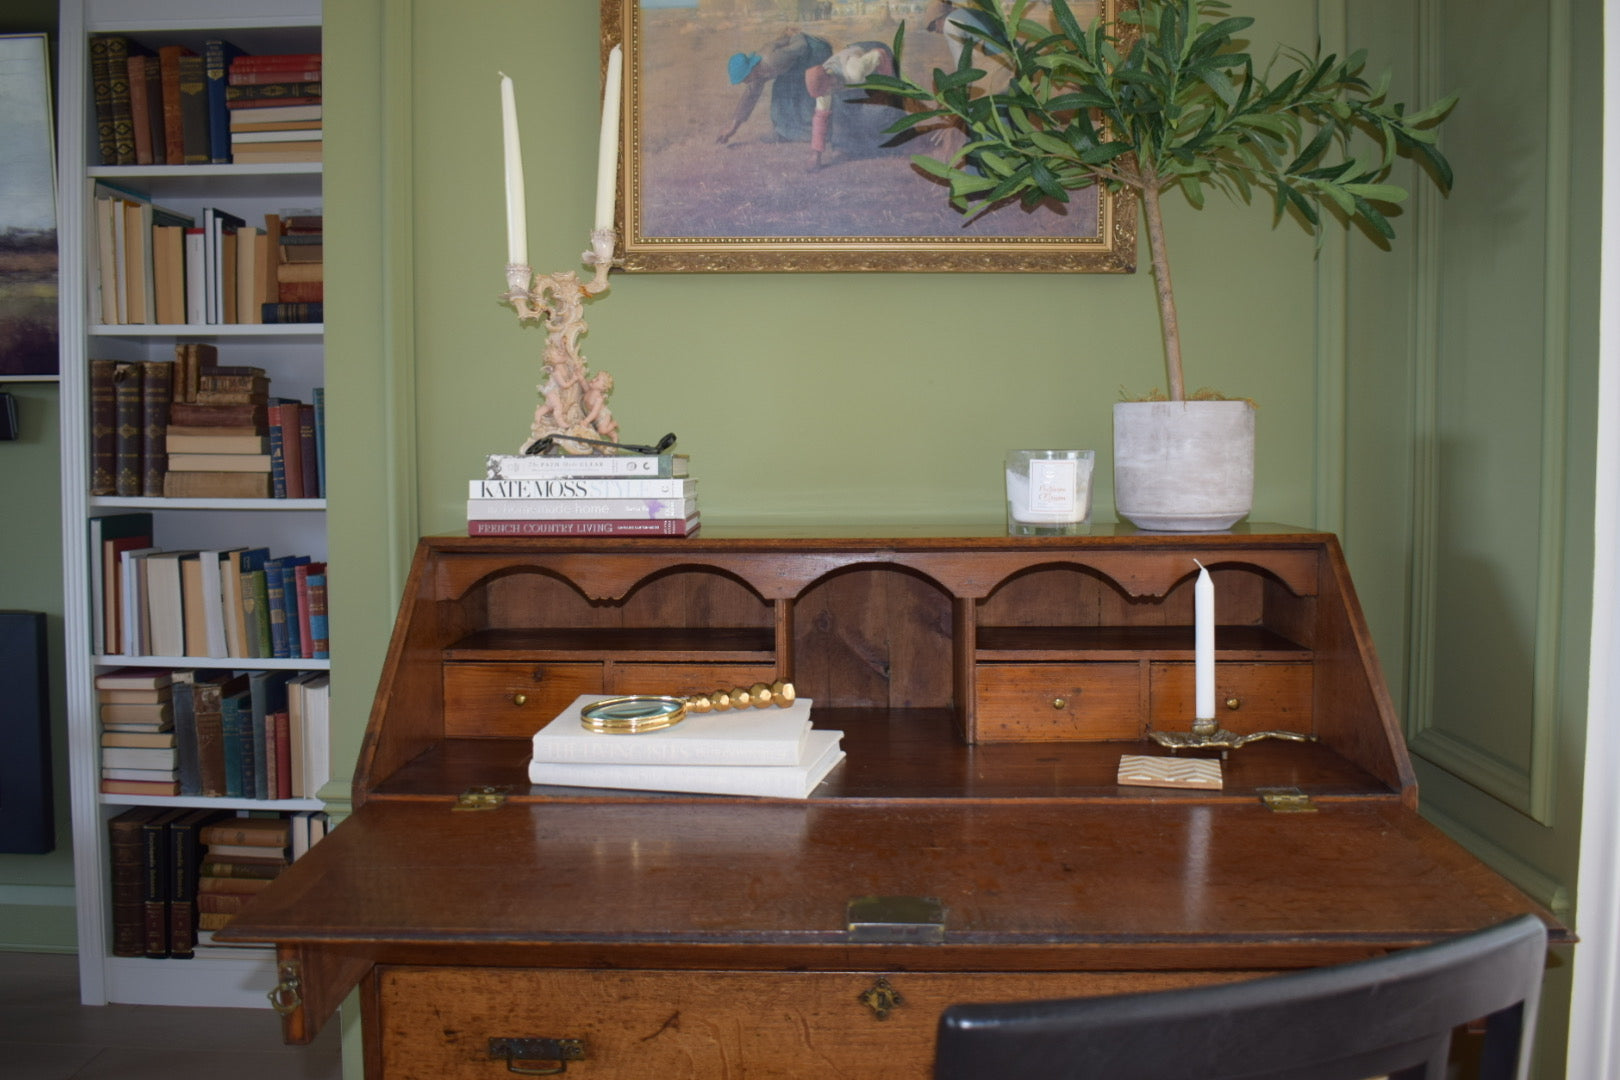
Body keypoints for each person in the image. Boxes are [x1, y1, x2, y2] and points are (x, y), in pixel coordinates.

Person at [717, 30, 833, 146]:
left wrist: (797, 34)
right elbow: (750, 96)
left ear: (750, 69)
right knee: (780, 92)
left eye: (744, 78)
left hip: (815, 51)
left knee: (805, 92)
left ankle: (822, 132)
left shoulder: (772, 60)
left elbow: (801, 46)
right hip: (797, 60)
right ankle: (784, 133)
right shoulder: (757, 72)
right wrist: (732, 128)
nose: (744, 82)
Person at [803, 41, 907, 170]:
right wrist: (816, 154)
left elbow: (880, 54)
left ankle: (902, 142)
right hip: (854, 65)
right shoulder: (824, 86)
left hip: (875, 54)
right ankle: (844, 148)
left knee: (881, 110)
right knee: (841, 106)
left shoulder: (853, 71)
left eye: (826, 91)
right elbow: (820, 118)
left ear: (829, 79)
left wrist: (889, 88)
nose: (825, 94)